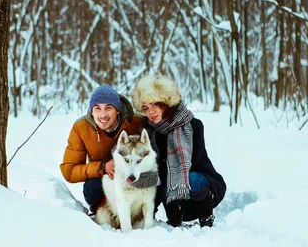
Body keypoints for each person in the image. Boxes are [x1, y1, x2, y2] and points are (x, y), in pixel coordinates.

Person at [131, 74, 226, 227]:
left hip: (195, 181)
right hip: (167, 188)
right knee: (149, 179)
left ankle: (206, 217)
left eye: (155, 104)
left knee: (191, 179)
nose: (151, 112)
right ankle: (151, 219)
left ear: (167, 102)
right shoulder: (147, 130)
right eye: (146, 108)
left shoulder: (193, 124)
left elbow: (192, 162)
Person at [60, 84, 143, 214]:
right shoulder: (81, 128)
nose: (103, 115)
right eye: (97, 108)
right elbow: (69, 171)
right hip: (104, 178)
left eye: (108, 108)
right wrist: (103, 167)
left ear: (117, 110)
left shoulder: (138, 122)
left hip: (134, 175)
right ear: (92, 111)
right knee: (91, 187)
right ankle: (101, 211)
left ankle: (142, 212)